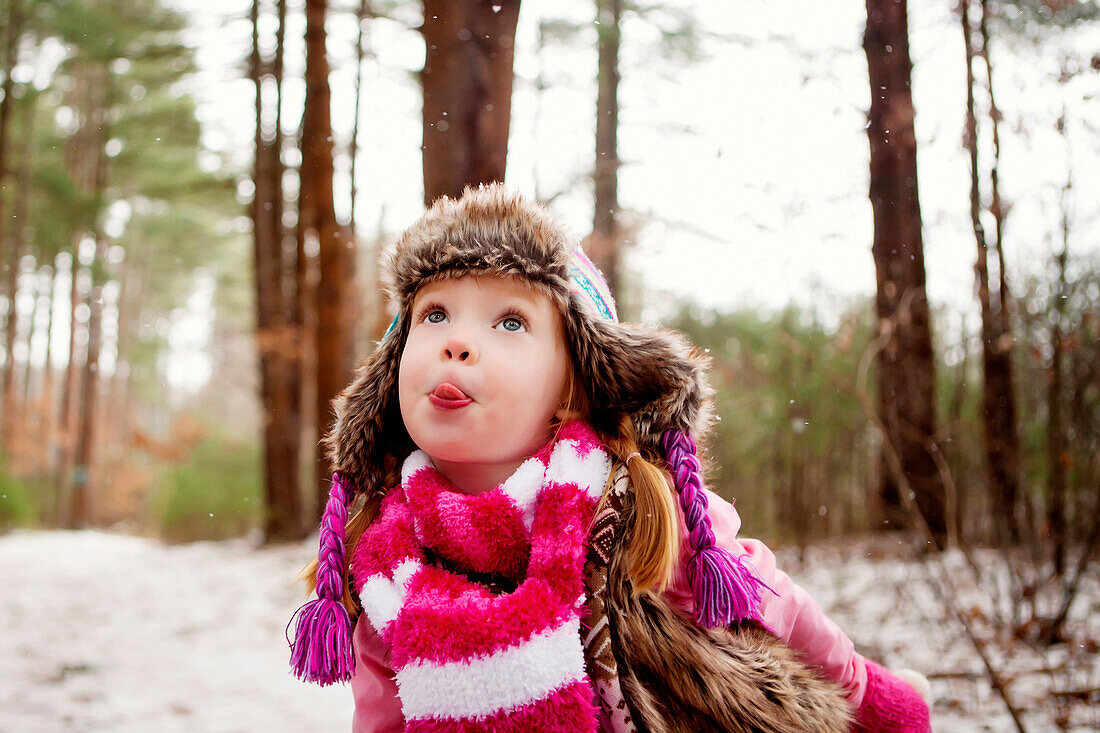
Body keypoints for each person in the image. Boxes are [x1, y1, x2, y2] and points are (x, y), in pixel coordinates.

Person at [288, 184, 931, 732]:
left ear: (574, 385)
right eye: (433, 315)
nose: (456, 342)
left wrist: (875, 697)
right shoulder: (381, 563)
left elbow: (778, 610)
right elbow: (383, 719)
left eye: (509, 322)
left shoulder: (636, 511)